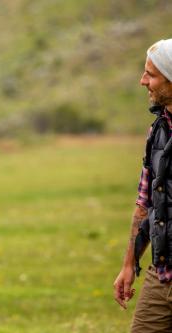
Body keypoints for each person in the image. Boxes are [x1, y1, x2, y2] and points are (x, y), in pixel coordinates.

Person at [113, 38, 172, 332]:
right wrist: (129, 264)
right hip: (161, 273)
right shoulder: (158, 131)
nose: (142, 81)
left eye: (151, 74)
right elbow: (145, 203)